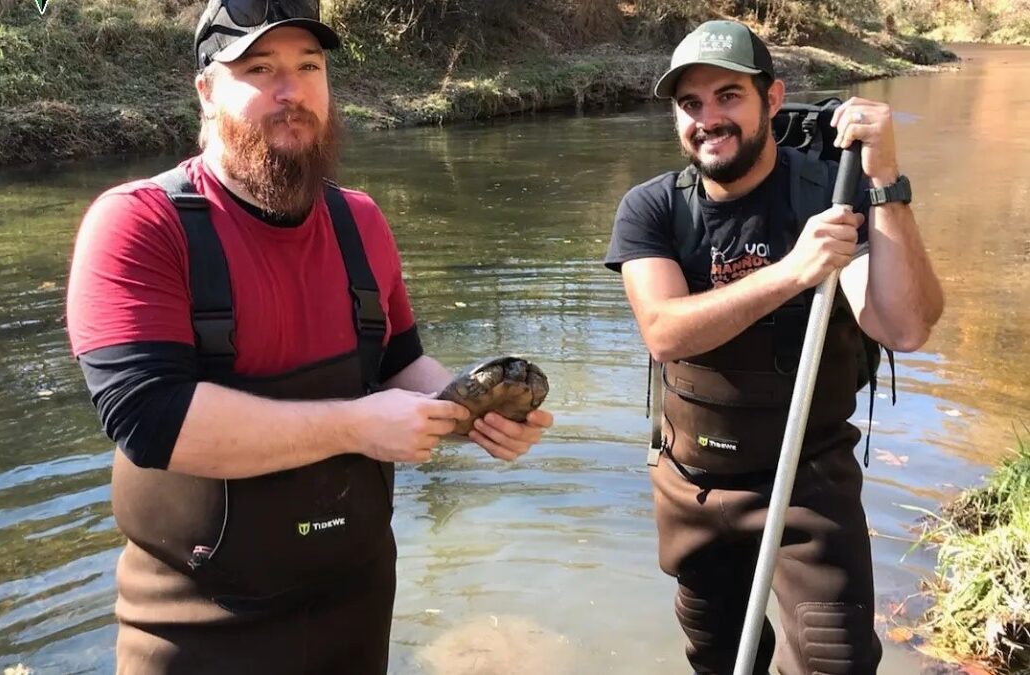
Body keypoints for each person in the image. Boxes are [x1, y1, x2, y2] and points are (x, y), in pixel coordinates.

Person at [64, 1, 554, 672]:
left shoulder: (362, 221)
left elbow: (400, 363)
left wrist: (470, 411)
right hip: (195, 630)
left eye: (308, 66)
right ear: (206, 90)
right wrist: (357, 426)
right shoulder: (138, 224)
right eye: (259, 68)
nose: (290, 92)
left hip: (356, 613)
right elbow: (149, 419)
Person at [604, 20, 943, 675]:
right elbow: (665, 330)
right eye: (690, 104)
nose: (709, 119)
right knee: (719, 659)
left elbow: (903, 328)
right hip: (692, 487)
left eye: (728, 96)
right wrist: (794, 269)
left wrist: (887, 182)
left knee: (834, 663)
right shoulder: (651, 210)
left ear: (774, 97)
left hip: (807, 486)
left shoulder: (831, 194)